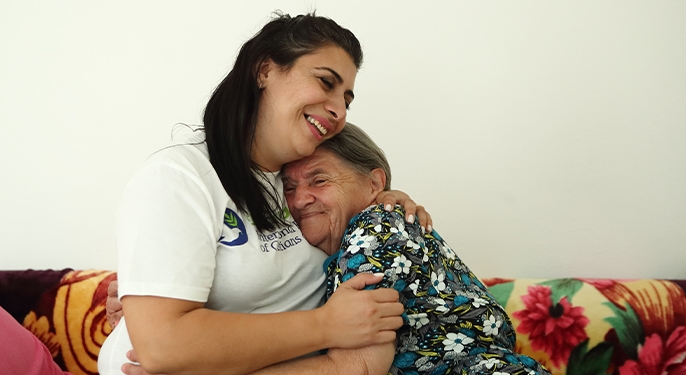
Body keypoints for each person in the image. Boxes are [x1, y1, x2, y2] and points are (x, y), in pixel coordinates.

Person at [98, 12, 432, 375]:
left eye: (346, 101)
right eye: (325, 82)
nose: (338, 111)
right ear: (264, 70)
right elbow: (164, 346)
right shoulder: (181, 176)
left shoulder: (302, 186)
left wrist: (385, 198)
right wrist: (327, 323)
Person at [108, 124, 552, 375]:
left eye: (319, 180)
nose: (299, 199)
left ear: (375, 183)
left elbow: (356, 367)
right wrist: (148, 297)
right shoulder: (337, 249)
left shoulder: (375, 231)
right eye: (290, 187)